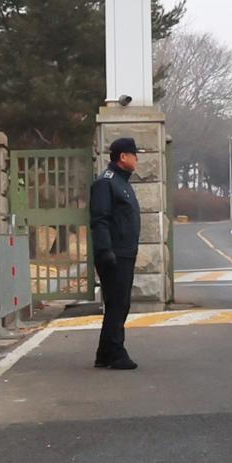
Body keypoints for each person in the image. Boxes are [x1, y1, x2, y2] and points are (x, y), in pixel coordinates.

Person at [90, 137, 142, 370]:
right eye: (134, 154)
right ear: (123, 157)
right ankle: (117, 352)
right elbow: (100, 219)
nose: (137, 159)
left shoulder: (122, 182)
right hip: (114, 254)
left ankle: (104, 353)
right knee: (119, 304)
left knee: (116, 304)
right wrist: (104, 250)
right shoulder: (106, 183)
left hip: (125, 252)